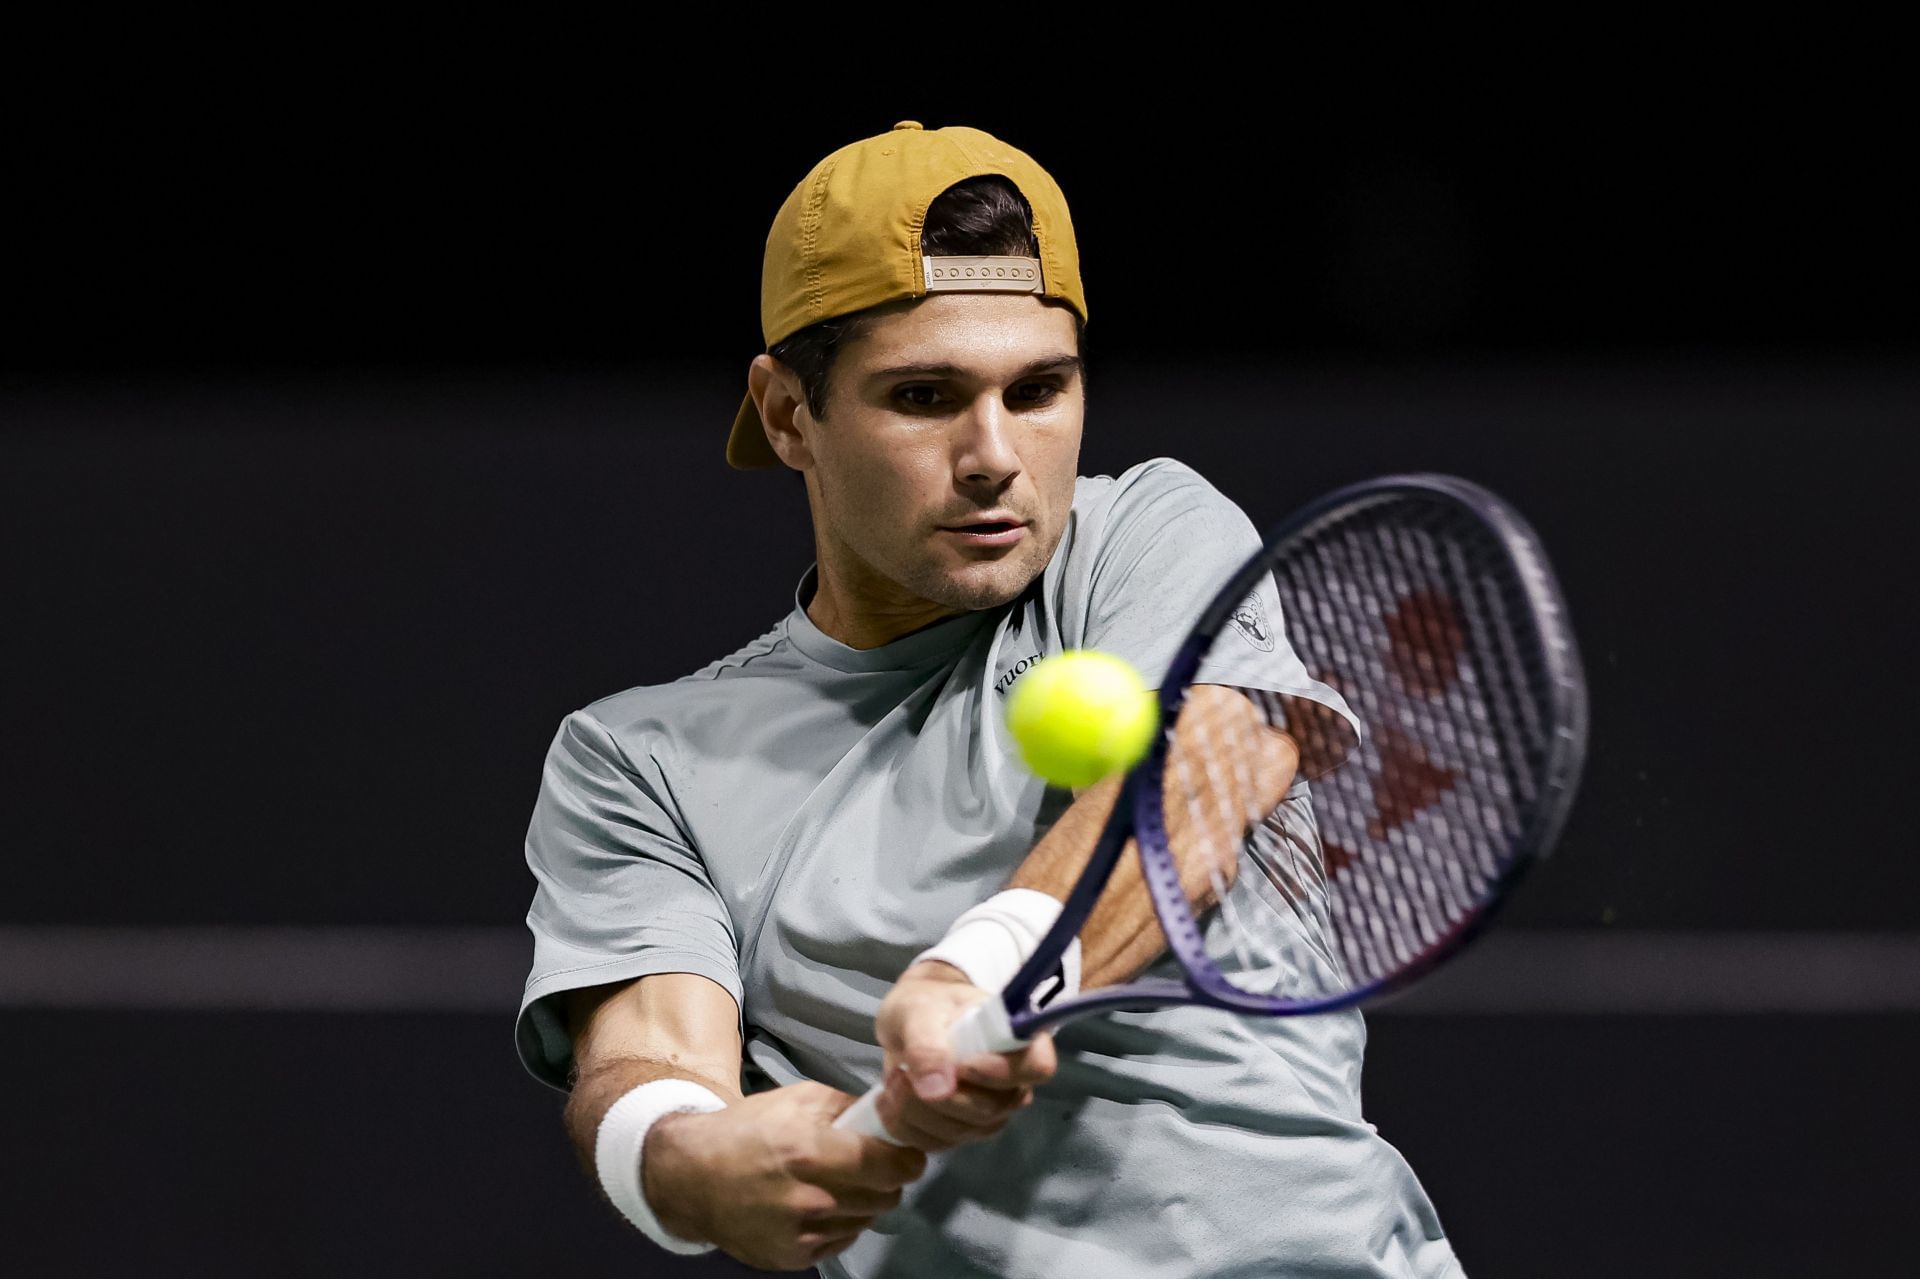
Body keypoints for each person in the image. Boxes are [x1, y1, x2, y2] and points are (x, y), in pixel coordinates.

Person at [514, 121, 1465, 1278]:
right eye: (924, 395)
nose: (994, 453)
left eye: (1040, 389)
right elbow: (650, 1057)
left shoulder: (1145, 532)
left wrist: (981, 971)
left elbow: (1198, 781)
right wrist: (690, 1163)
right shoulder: (640, 758)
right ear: (785, 414)